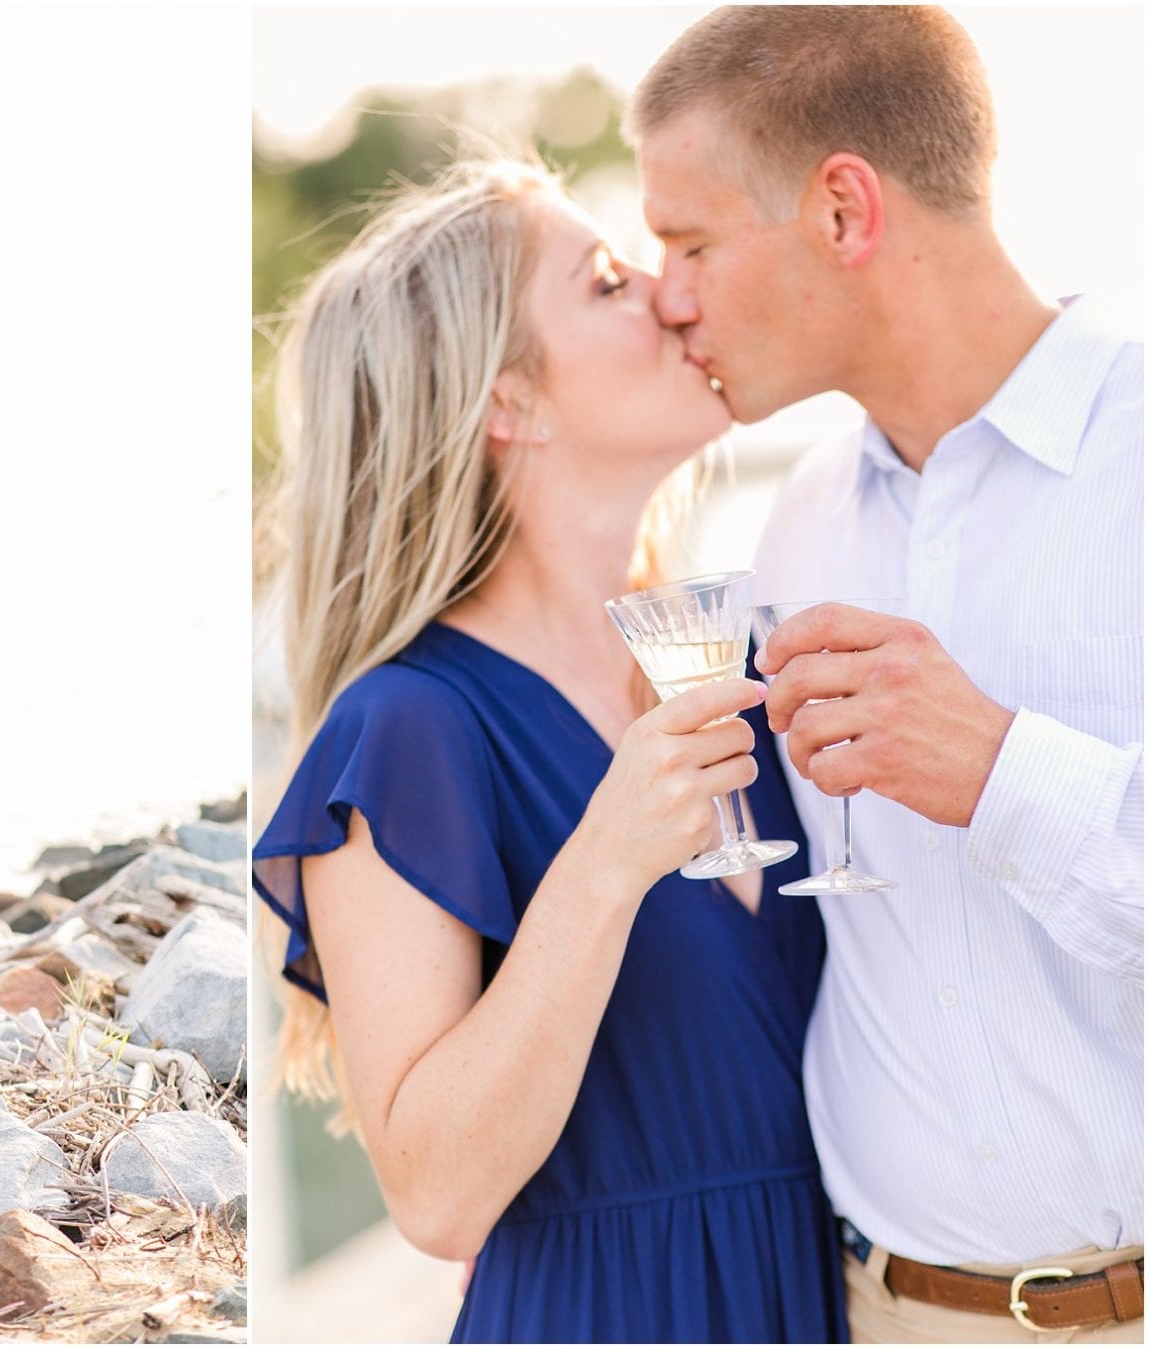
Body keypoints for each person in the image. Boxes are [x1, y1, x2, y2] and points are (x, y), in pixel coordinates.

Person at [253, 159, 846, 1342]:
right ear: (507, 400)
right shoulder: (409, 725)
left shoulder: (748, 659)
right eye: (611, 282)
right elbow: (434, 1192)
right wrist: (604, 860)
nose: (674, 299)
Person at [628, 7, 1142, 1341]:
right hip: (882, 1309)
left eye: (688, 244)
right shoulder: (798, 526)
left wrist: (1005, 770)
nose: (665, 294)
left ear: (844, 211)